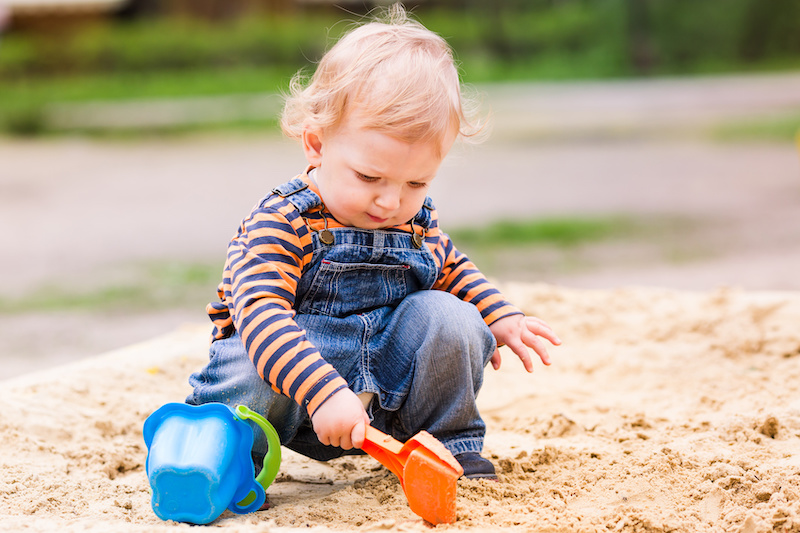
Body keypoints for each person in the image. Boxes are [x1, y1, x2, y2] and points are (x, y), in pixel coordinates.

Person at [186, 3, 560, 480]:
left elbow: (450, 266)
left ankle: (444, 446)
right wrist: (321, 391)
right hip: (291, 391)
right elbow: (260, 315)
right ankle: (225, 452)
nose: (389, 202)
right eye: (370, 176)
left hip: (382, 388)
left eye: (416, 183)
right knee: (248, 364)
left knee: (454, 318)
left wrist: (499, 314)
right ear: (317, 145)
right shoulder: (282, 221)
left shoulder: (414, 223)